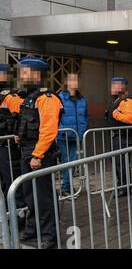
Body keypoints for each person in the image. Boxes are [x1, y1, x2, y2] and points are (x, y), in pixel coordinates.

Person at [15, 56, 64, 249]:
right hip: (28, 151)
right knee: (30, 196)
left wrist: (38, 155)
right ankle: (32, 229)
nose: (21, 75)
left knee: (44, 199)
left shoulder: (47, 98)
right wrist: (19, 136)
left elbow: (49, 130)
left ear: (36, 74)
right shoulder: (30, 97)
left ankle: (49, 238)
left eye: (24, 71)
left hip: (39, 154)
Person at [57, 73, 89, 197]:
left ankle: (67, 187)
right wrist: (61, 129)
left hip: (77, 137)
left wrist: (82, 130)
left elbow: (86, 116)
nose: (75, 82)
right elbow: (55, 116)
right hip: (63, 137)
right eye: (72, 79)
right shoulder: (60, 97)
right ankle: (66, 188)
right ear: (67, 82)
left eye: (76, 79)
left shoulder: (82, 99)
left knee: (73, 163)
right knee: (66, 162)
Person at [104, 77, 132, 198]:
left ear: (121, 87)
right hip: (116, 137)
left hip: (123, 137)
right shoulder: (117, 100)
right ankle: (121, 185)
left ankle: (125, 188)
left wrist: (116, 114)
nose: (111, 88)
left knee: (122, 163)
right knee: (117, 163)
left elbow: (131, 118)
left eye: (114, 85)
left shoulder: (127, 100)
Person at [0, 64, 26, 211]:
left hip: (9, 148)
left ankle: (20, 215)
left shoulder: (12, 97)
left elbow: (21, 120)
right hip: (2, 146)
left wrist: (16, 137)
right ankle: (9, 214)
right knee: (5, 184)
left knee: (13, 184)